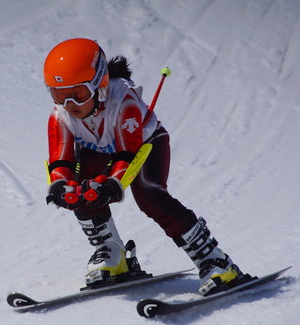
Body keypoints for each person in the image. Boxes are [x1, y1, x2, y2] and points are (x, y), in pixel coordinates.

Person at [43, 38, 251, 296]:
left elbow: (128, 155)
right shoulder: (59, 115)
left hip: (144, 145)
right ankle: (112, 254)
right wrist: (62, 186)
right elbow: (60, 160)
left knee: (150, 196)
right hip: (100, 150)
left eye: (79, 94)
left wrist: (113, 184)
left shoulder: (124, 103)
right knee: (82, 191)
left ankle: (215, 260)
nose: (69, 106)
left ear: (100, 85)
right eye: (59, 95)